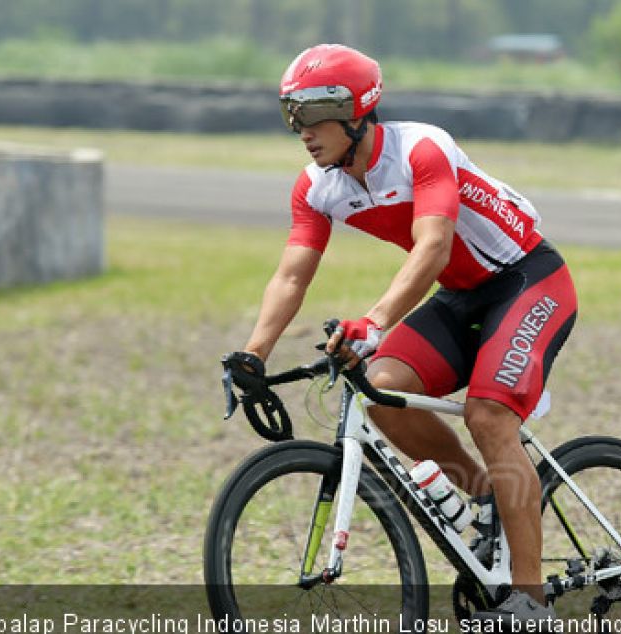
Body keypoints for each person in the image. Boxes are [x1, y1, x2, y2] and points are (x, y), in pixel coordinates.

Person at [229, 43, 576, 623]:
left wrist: (376, 319)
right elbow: (292, 275)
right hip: (461, 296)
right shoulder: (317, 186)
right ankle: (485, 493)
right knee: (381, 389)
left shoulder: (421, 147)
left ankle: (531, 599)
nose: (303, 132)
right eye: (293, 116)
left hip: (526, 280)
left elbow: (434, 245)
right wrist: (253, 353)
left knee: (488, 416)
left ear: (356, 110)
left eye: (313, 115)